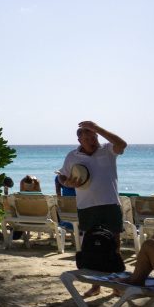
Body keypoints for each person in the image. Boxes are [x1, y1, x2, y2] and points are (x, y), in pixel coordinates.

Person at [58, 120, 128, 297]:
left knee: (114, 247)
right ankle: (95, 286)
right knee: (90, 247)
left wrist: (98, 128)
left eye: (94, 136)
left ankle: (115, 285)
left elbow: (122, 144)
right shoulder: (72, 156)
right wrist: (66, 182)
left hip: (110, 204)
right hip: (86, 207)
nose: (93, 140)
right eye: (88, 137)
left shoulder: (107, 150)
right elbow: (62, 176)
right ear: (80, 140)